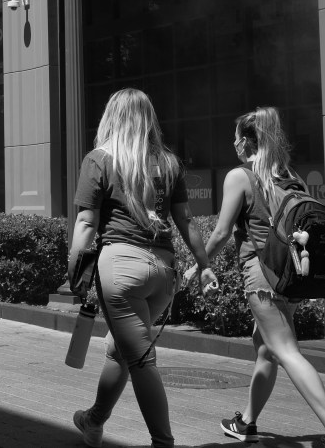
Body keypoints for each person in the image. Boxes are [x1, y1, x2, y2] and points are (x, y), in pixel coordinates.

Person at [189, 107, 325, 448]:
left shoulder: (240, 176)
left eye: (236, 139)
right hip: (292, 274)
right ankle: (247, 422)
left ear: (245, 142)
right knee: (266, 348)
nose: (233, 145)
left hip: (262, 274)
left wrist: (198, 265)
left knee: (284, 349)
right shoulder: (290, 176)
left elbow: (221, 232)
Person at [68, 88, 218, 448]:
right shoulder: (168, 163)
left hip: (121, 270)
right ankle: (93, 421)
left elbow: (86, 222)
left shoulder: (99, 159)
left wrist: (74, 270)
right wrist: (204, 265)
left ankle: (163, 442)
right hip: (163, 274)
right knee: (120, 348)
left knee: (142, 360)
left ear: (112, 117)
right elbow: (186, 220)